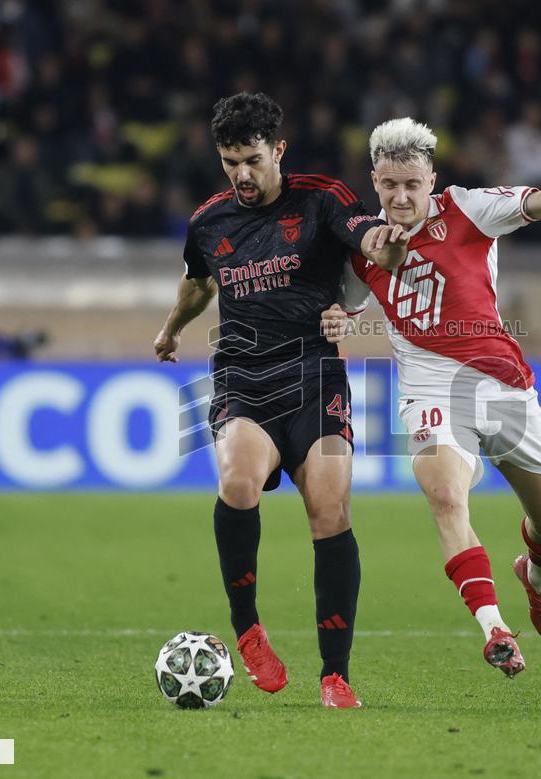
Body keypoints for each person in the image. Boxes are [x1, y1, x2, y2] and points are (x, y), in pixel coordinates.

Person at [332, 118, 541, 677]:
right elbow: (345, 306)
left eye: (412, 185)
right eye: (388, 185)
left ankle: (537, 576)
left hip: (502, 387)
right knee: (446, 497)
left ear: (432, 180)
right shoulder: (363, 246)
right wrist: (334, 316)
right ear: (374, 182)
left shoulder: (469, 210)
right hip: (429, 388)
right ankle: (494, 628)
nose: (401, 197)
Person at [153, 93, 408, 707]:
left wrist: (390, 241)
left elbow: (370, 240)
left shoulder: (321, 198)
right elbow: (198, 283)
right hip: (243, 379)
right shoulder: (209, 221)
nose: (241, 174)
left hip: (316, 379)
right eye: (230, 161)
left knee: (330, 511)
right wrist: (172, 329)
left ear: (278, 152)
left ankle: (335, 675)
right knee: (238, 483)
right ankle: (248, 631)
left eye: (252, 160)